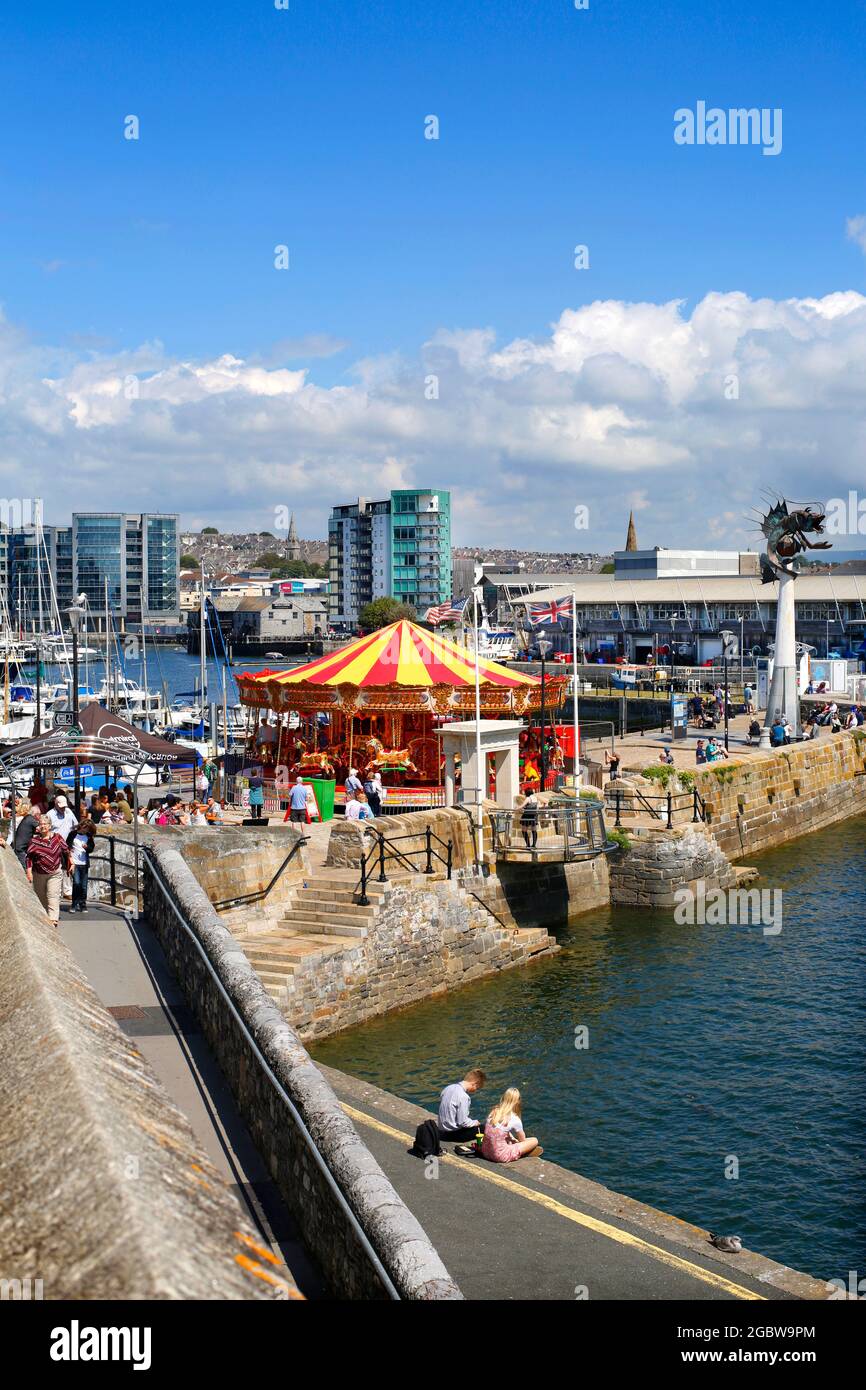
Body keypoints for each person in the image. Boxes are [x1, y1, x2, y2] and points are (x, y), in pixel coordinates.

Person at [26, 816, 73, 926]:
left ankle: (53, 919)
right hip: (39, 874)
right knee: (41, 896)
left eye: (45, 824)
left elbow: (66, 850)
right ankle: (44, 916)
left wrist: (72, 861)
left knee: (53, 895)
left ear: (50, 826)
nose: (43, 826)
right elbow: (29, 857)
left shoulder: (57, 838)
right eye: (41, 824)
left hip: (55, 872)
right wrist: (29, 872)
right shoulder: (34, 841)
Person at [481, 1087, 542, 1162]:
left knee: (507, 1136)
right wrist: (516, 1141)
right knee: (534, 1140)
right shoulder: (515, 1118)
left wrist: (512, 1138)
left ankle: (513, 1146)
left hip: (485, 1152)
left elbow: (499, 1130)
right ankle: (523, 1152)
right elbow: (522, 1140)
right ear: (517, 1101)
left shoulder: (494, 1112)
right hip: (499, 1156)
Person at [437, 1068, 487, 1144]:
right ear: (475, 1083)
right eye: (477, 1087)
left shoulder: (448, 1088)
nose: (476, 1090)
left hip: (441, 1130)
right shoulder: (464, 1097)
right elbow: (463, 1122)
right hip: (451, 1134)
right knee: (483, 1128)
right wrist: (475, 1122)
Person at [67, 817, 96, 912]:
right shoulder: (73, 834)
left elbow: (91, 848)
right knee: (77, 883)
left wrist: (87, 847)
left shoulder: (88, 836)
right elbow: (67, 845)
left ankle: (83, 904)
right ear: (81, 826)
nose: (85, 830)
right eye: (85, 827)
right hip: (74, 863)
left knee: (83, 886)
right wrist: (69, 849)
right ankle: (74, 904)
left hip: (84, 863)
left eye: (88, 829)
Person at [13, 801, 40, 870]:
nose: (40, 816)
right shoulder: (31, 819)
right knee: (25, 869)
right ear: (36, 814)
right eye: (39, 814)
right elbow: (41, 829)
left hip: (18, 846)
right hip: (20, 849)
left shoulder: (28, 818)